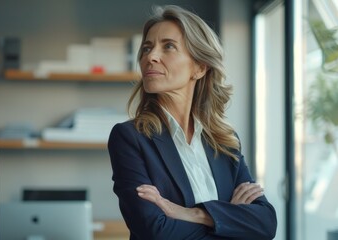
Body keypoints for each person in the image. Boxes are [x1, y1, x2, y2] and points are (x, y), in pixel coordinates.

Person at [107, 5, 277, 240]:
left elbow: (265, 224)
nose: (150, 57)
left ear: (199, 67)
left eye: (168, 46)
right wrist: (231, 219)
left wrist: (192, 214)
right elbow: (156, 232)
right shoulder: (130, 138)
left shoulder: (226, 142)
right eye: (147, 48)